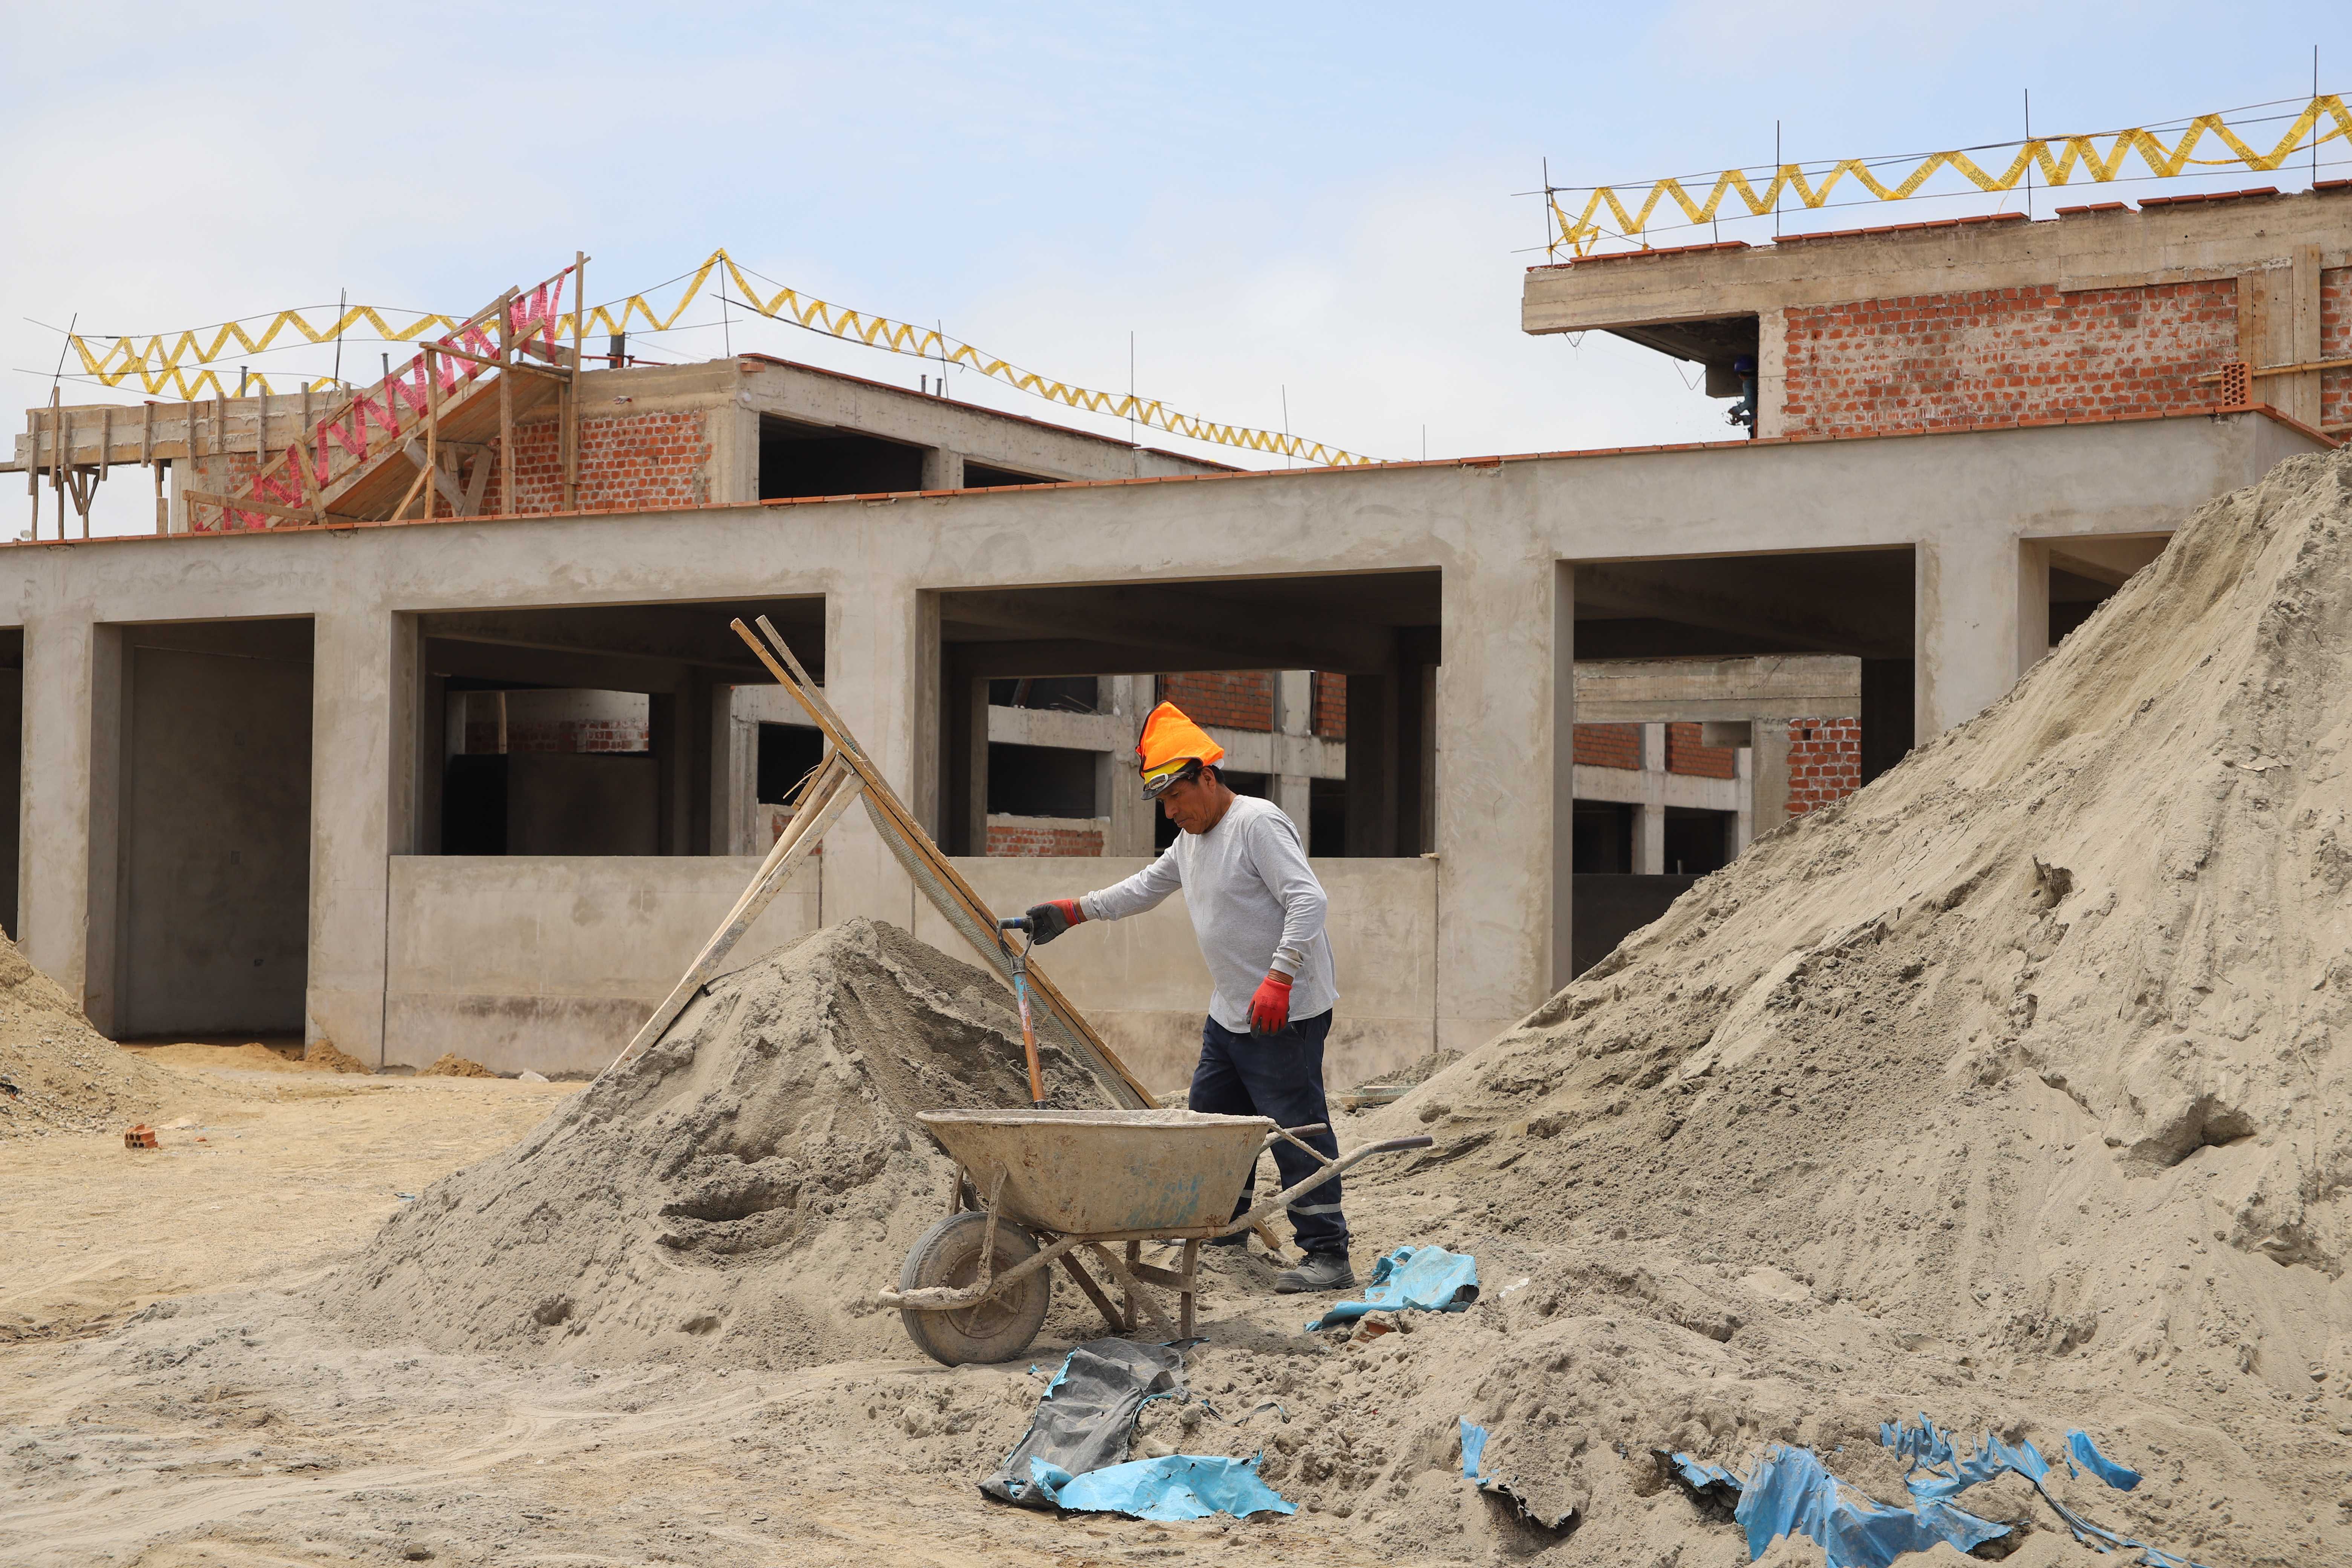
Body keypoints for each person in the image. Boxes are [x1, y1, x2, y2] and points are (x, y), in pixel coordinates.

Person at [1026, 700, 1353, 1294]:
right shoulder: (1191, 841)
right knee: (1210, 1125)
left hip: (1286, 1010)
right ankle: (1223, 1227)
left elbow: (1310, 901)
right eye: (1164, 804)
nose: (1172, 812)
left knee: (1297, 1130)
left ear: (1207, 776)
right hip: (1231, 1012)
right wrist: (1073, 912)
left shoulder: (1257, 824)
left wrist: (1280, 976)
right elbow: (1145, 888)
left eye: (1177, 797)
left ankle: (1329, 1254)